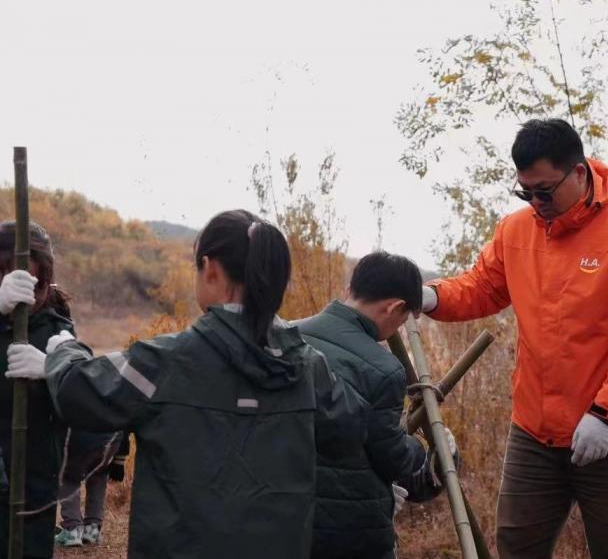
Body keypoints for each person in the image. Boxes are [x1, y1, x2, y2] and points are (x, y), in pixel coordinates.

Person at [30, 210, 366, 559]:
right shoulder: (310, 367)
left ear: (210, 269)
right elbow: (350, 428)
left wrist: (62, 348)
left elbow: (78, 393)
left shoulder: (161, 362)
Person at [421, 118, 608, 558]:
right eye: (526, 192)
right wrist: (428, 297)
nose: (536, 203)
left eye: (544, 191)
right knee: (517, 544)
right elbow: (481, 288)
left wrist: (605, 414)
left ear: (579, 173)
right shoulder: (516, 232)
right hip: (534, 433)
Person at [299, 251, 455, 559]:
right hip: (350, 532)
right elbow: (392, 458)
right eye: (402, 319)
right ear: (395, 308)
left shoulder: (287, 334)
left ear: (351, 289)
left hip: (287, 520)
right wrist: (427, 448)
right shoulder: (383, 369)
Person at [0, 222, 74, 559]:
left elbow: (85, 410)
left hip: (35, 493)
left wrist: (56, 371)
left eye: (37, 284)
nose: (26, 297)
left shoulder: (59, 332)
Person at [54, 429, 122, 547]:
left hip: (79, 437)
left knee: (68, 477)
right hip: (110, 439)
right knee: (99, 474)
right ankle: (92, 530)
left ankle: (73, 529)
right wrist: (120, 459)